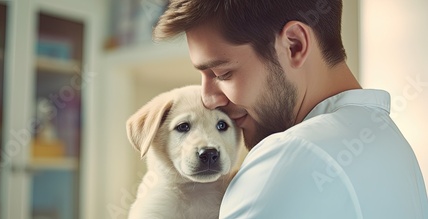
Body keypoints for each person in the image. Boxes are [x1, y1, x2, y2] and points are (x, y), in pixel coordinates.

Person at [153, 0, 428, 218]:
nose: (209, 99)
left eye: (223, 73)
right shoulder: (391, 143)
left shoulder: (288, 155)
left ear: (294, 45)